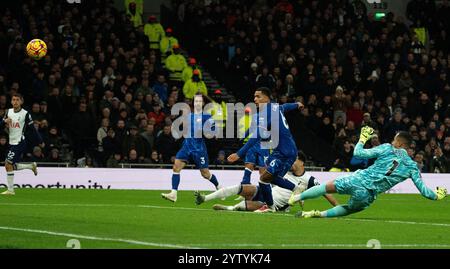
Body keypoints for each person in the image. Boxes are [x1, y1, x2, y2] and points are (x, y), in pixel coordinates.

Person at [289, 128, 448, 218]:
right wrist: (437, 195)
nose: (393, 141)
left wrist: (363, 138)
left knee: (325, 188)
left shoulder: (387, 148)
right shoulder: (412, 167)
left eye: (394, 140)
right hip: (368, 194)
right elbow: (425, 191)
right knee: (350, 209)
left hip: (358, 179)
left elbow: (358, 153)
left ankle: (297, 197)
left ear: (399, 143)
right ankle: (319, 214)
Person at [227, 87, 304, 212]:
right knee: (270, 179)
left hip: (282, 152)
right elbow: (286, 106)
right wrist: (297, 104)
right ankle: (292, 192)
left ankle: (274, 204)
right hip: (290, 150)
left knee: (264, 178)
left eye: (258, 96)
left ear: (267, 97)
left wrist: (239, 153)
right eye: (254, 97)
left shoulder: (265, 112)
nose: (255, 99)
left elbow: (257, 135)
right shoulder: (275, 107)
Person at [195, 151, 339, 212]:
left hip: (274, 205)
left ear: (302, 163)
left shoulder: (309, 179)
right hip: (267, 192)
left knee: (243, 206)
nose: (291, 162)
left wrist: (337, 207)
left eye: (294, 159)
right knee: (243, 187)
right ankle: (205, 198)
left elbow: (326, 191)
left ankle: (229, 208)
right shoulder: (284, 170)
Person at [161, 95, 222, 202]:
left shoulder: (207, 117)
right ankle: (173, 193)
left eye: (200, 101)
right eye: (196, 101)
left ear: (203, 104)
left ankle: (219, 187)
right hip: (186, 147)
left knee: (205, 174)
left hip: (198, 149)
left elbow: (214, 132)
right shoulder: (189, 116)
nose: (197, 103)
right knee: (176, 167)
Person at [1, 94, 43, 195]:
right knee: (11, 166)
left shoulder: (25, 114)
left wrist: (40, 140)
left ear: (21, 102)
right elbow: (1, 124)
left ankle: (11, 190)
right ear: (11, 101)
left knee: (7, 164)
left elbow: (33, 129)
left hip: (19, 142)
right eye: (13, 100)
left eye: (17, 100)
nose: (15, 102)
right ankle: (31, 166)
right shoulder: (8, 112)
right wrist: (4, 121)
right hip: (11, 142)